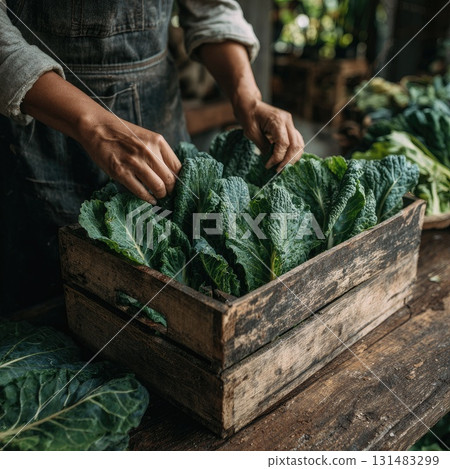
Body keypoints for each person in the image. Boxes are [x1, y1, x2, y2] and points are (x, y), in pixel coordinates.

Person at [0, 0, 304, 316]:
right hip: (38, 114)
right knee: (51, 304)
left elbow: (211, 9)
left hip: (157, 115)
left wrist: (249, 98)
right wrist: (92, 123)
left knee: (175, 296)